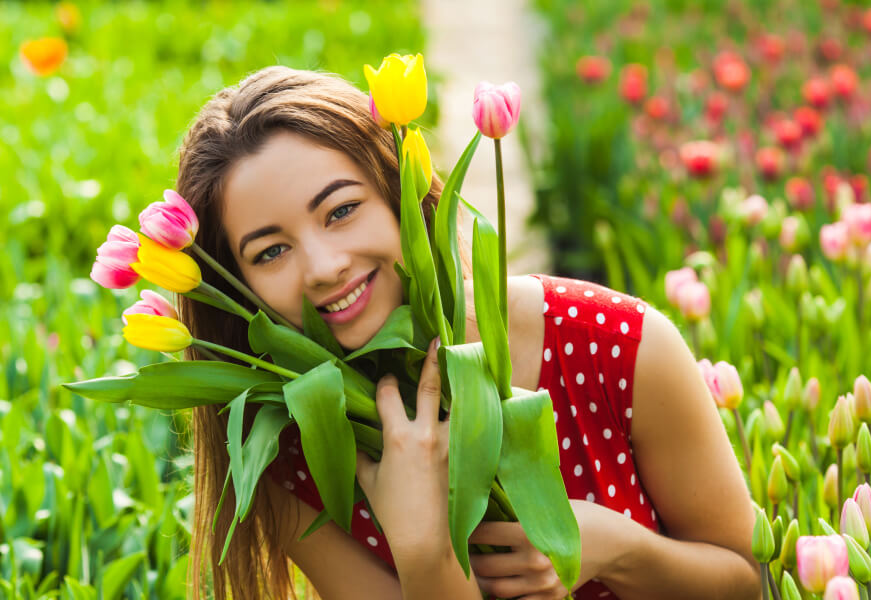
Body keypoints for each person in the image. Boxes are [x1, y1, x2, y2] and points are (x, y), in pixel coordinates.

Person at [175, 65, 761, 600]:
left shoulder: (613, 344)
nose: (325, 265)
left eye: (342, 210)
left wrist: (613, 546)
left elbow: (745, 580)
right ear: (239, 287)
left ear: (398, 186)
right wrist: (426, 553)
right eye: (272, 251)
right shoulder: (286, 452)